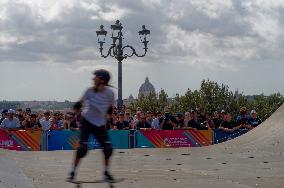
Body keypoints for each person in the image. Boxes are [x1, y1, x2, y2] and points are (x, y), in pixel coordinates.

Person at [68, 69, 115, 182]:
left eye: (96, 77)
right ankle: (73, 172)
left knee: (108, 149)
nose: (93, 79)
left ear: (102, 80)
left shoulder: (110, 93)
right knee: (82, 149)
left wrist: (110, 119)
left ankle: (106, 172)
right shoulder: (89, 91)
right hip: (87, 121)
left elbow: (109, 108)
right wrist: (74, 111)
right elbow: (79, 104)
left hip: (100, 124)